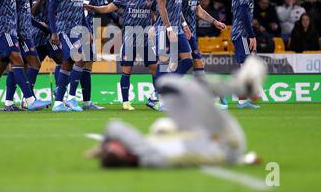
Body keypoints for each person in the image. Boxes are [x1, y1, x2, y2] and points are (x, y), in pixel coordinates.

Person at [86, 56, 267, 168]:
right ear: (124, 155)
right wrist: (104, 147)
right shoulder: (144, 152)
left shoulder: (149, 155)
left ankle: (239, 88)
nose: (118, 144)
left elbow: (192, 152)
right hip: (225, 140)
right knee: (168, 84)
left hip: (218, 144)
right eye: (116, 148)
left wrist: (244, 160)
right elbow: (115, 127)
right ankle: (241, 87)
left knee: (162, 127)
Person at [85, 0, 157, 111]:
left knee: (155, 68)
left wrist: (154, 27)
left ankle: (156, 98)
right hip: (130, 38)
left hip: (146, 39)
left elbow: (157, 13)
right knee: (127, 70)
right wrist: (92, 7)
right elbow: (107, 9)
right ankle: (125, 102)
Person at [180, 0, 227, 109]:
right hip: (179, 32)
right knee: (180, 64)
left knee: (198, 64)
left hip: (191, 34)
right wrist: (183, 26)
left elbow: (198, 10)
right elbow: (173, 9)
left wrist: (214, 22)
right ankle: (160, 94)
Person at [153, 0, 192, 112]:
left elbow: (177, 7)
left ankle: (162, 90)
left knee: (188, 60)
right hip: (164, 29)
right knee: (163, 64)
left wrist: (184, 24)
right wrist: (169, 28)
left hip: (178, 29)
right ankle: (160, 99)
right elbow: (161, 7)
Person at [3, 0, 46, 111]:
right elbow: (9, 14)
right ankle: (29, 99)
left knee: (18, 67)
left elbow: (27, 16)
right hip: (20, 35)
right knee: (33, 64)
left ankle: (9, 102)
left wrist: (44, 28)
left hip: (26, 34)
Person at [48, 0, 86, 112]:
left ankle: (59, 102)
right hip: (64, 30)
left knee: (68, 63)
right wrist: (54, 32)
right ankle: (69, 98)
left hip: (76, 31)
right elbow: (51, 9)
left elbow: (80, 10)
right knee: (78, 58)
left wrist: (86, 29)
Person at [78, 0, 109, 110]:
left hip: (67, 29)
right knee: (87, 65)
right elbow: (106, 9)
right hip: (87, 31)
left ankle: (63, 97)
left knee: (66, 62)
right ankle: (86, 102)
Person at [230, 0, 260, 109]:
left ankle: (243, 100)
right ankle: (239, 98)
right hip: (241, 33)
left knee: (246, 66)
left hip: (241, 33)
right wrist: (251, 35)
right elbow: (243, 15)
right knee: (245, 66)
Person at [30, 0, 62, 94]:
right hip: (42, 35)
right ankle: (59, 91)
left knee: (35, 65)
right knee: (64, 60)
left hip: (48, 33)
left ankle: (28, 98)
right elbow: (33, 12)